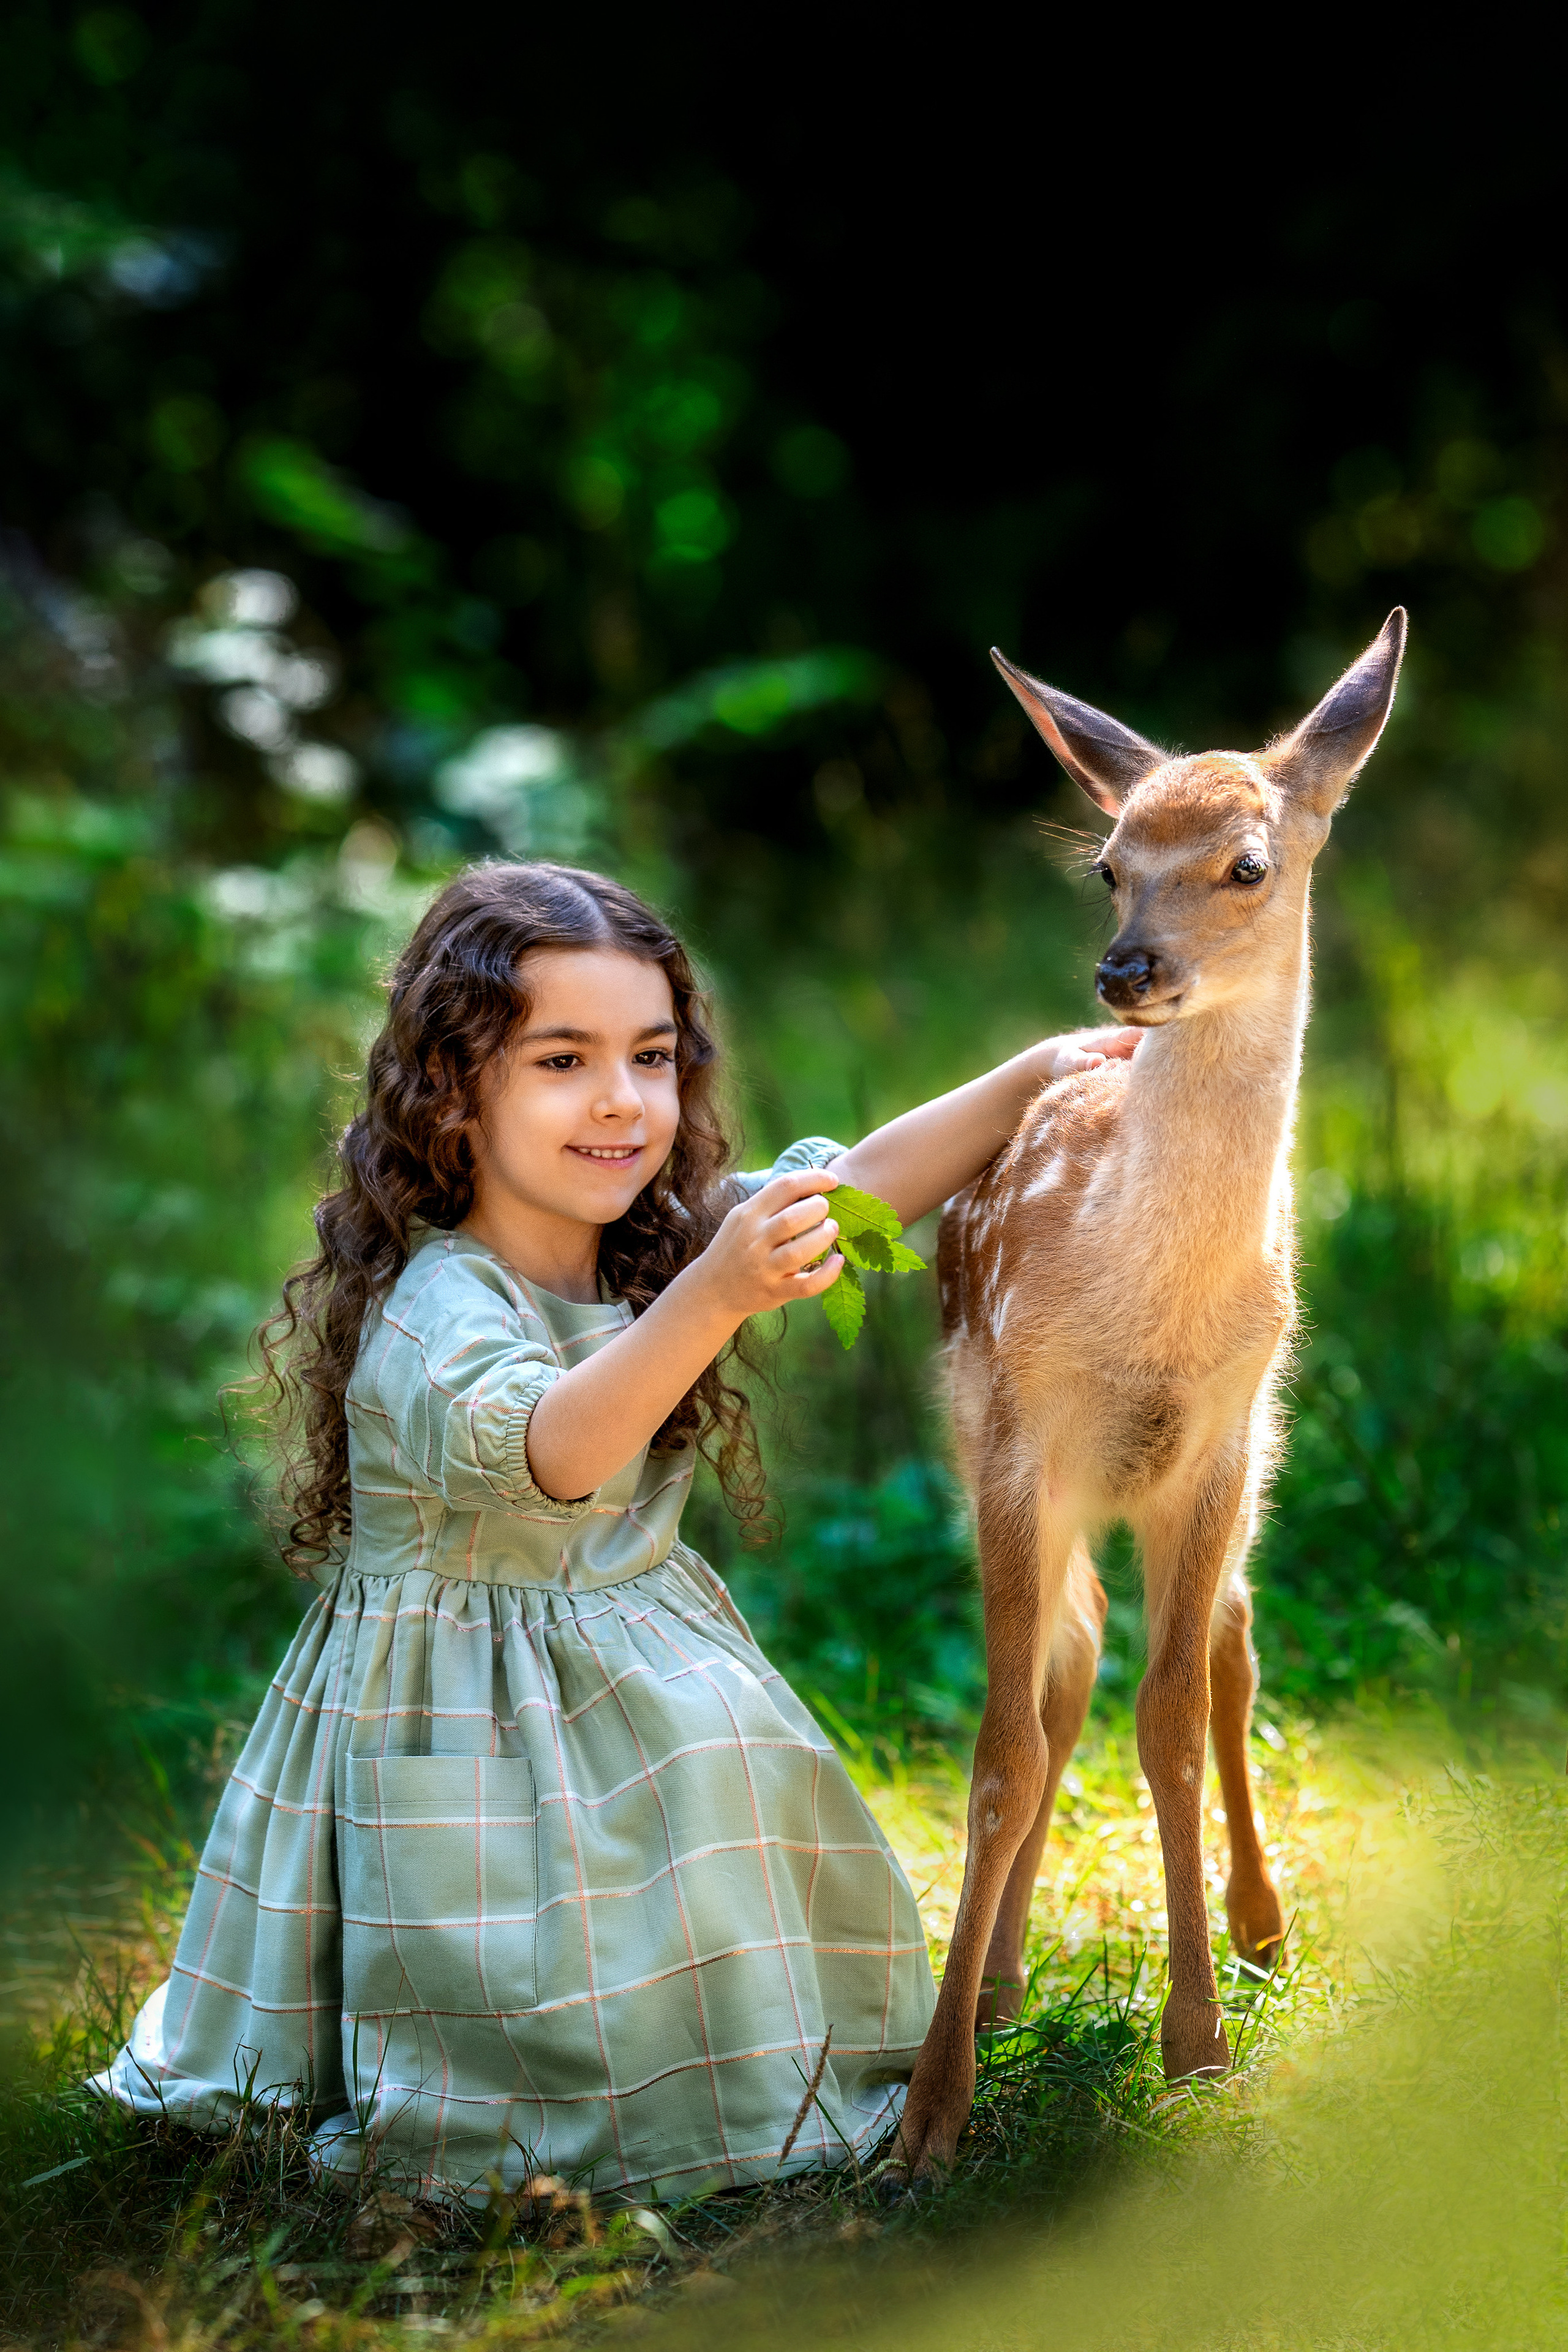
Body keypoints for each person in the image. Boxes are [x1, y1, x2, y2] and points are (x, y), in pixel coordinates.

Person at [93, 861, 1132, 2204]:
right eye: (561, 1060)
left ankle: (698, 2054)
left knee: (689, 1836)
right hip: (457, 1723)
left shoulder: (647, 1244)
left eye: (650, 1057)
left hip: (633, 1671)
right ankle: (531, 2113)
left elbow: (864, 1185)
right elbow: (561, 1453)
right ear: (452, 1094)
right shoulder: (440, 1304)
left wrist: (1037, 1075)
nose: (619, 1101)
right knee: (512, 1945)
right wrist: (710, 1294)